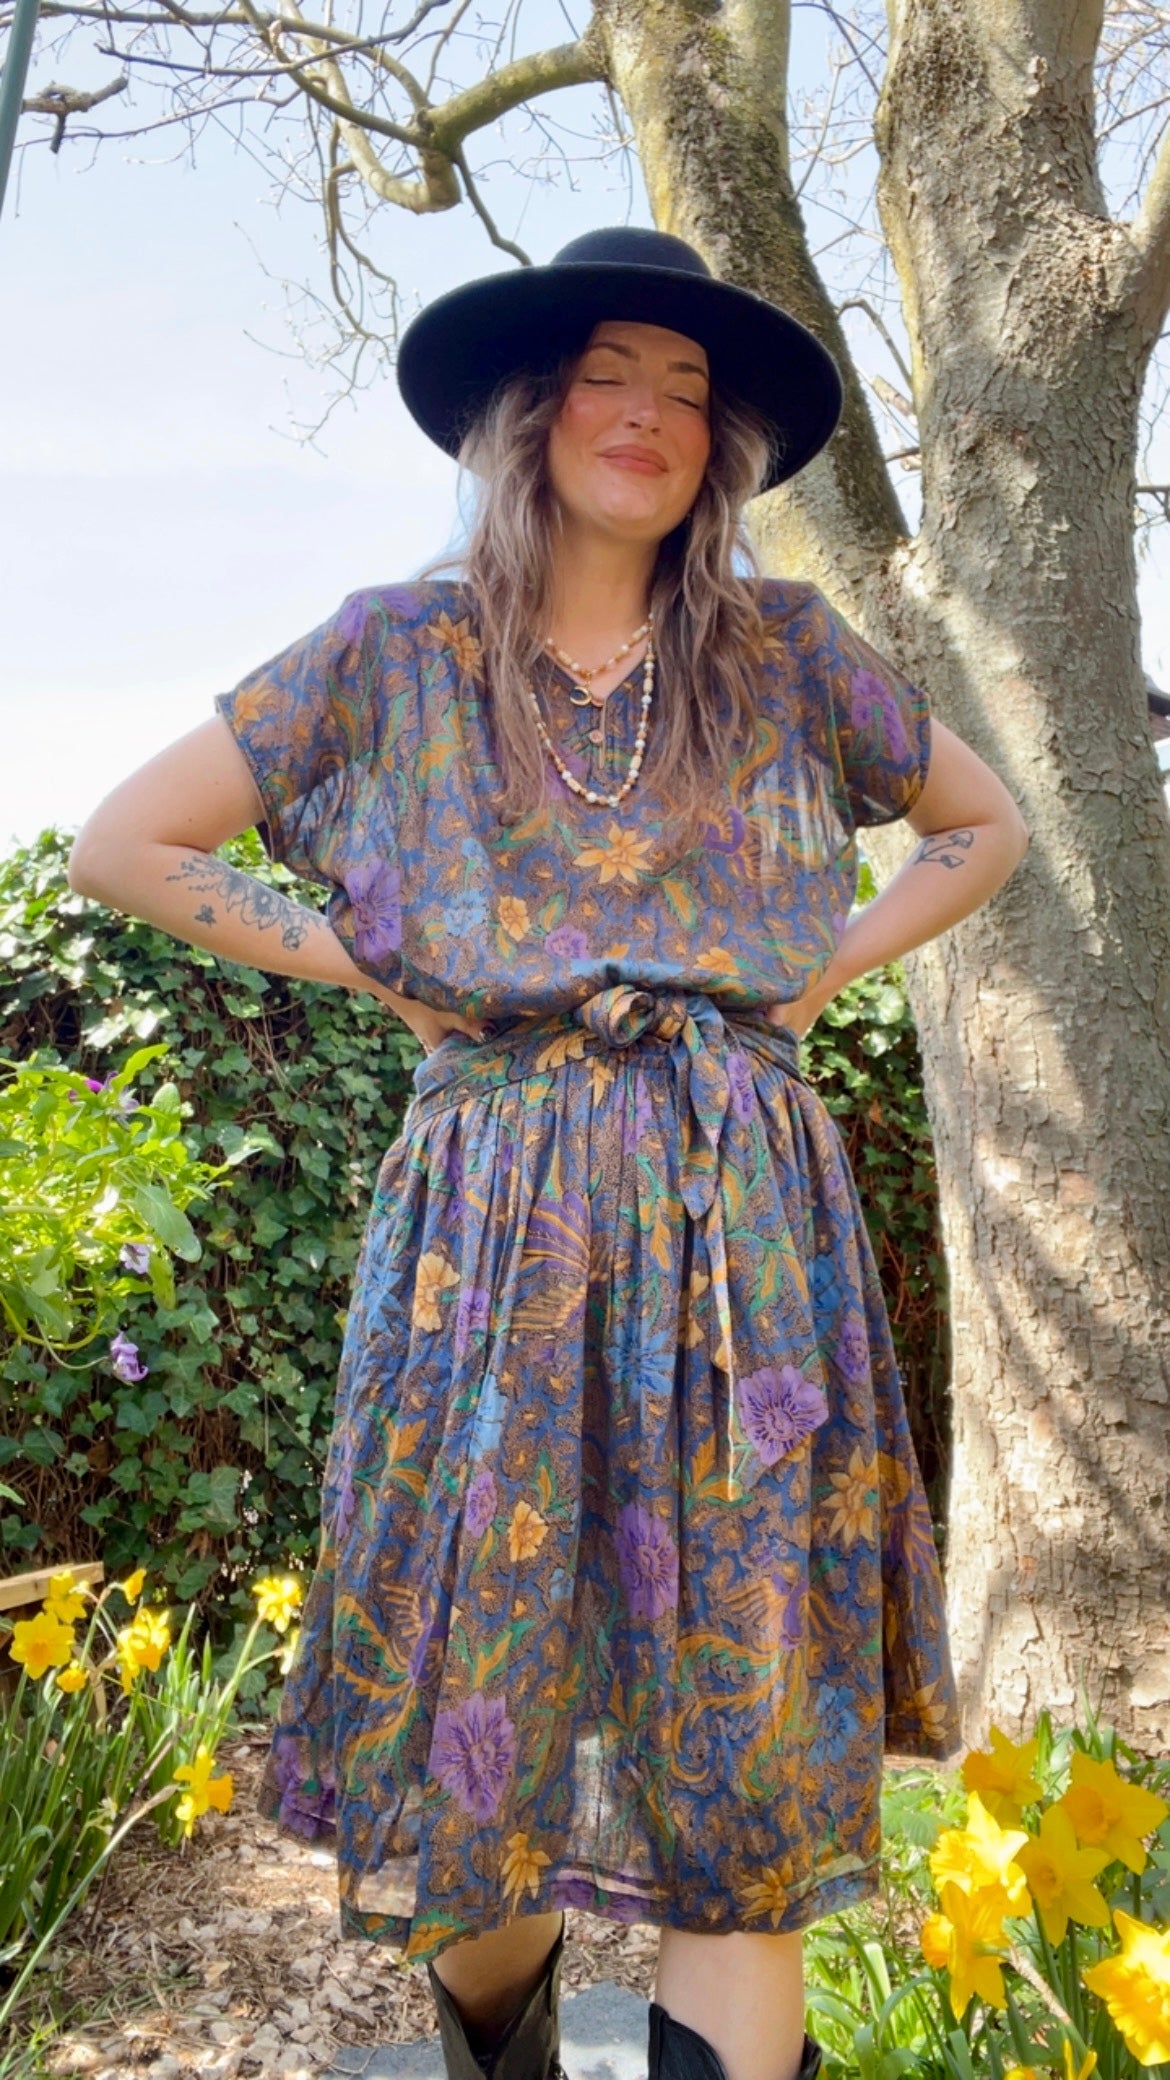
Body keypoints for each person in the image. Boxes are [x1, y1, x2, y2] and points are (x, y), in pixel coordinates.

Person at [69, 226, 1029, 2080]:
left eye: (687, 391)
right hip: (489, 1233)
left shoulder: (786, 655)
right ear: (529, 409)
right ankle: (486, 2032)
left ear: (719, 449)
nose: (648, 414)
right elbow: (127, 845)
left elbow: (977, 825)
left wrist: (815, 969)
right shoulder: (396, 649)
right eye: (609, 374)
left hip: (742, 1233)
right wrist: (369, 963)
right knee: (481, 1722)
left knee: (739, 1734)